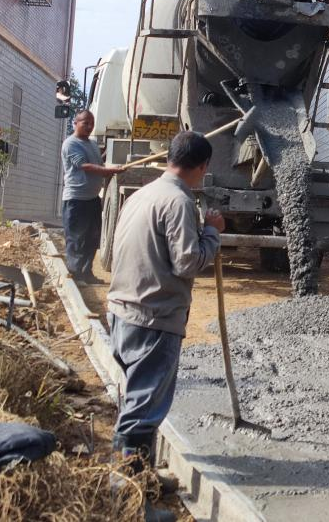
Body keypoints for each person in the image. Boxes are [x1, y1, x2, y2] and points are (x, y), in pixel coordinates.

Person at [106, 130, 223, 521]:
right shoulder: (178, 201)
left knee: (137, 398)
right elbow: (187, 262)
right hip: (153, 318)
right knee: (143, 409)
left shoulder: (142, 194)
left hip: (123, 310)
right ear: (202, 166)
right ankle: (129, 500)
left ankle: (140, 475)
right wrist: (212, 232)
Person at [61, 110, 122, 285]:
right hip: (76, 200)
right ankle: (75, 275)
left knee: (92, 238)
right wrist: (108, 171)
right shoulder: (70, 144)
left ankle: (86, 274)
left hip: (92, 199)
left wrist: (110, 170)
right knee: (76, 239)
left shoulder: (93, 144)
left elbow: (99, 165)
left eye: (91, 124)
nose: (89, 126)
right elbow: (85, 166)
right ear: (75, 123)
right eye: (85, 123)